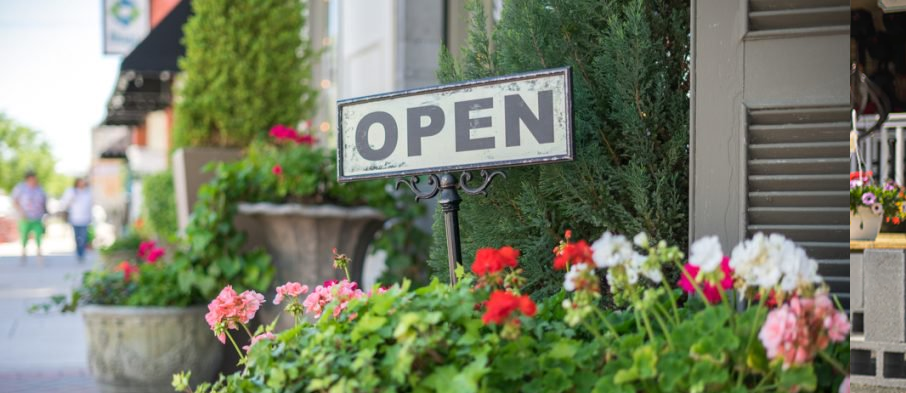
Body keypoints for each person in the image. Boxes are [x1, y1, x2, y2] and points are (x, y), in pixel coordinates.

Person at [11, 170, 47, 265]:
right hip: (25, 217)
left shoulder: (39, 188)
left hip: (37, 216)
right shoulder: (20, 188)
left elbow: (44, 200)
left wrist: (45, 213)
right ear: (27, 179)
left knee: (39, 235)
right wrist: (21, 212)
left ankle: (39, 254)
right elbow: (14, 201)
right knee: (24, 235)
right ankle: (23, 251)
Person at [61, 178, 93, 262]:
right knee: (77, 237)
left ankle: (82, 253)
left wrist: (91, 217)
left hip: (85, 219)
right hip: (75, 218)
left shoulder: (88, 192)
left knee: (83, 237)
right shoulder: (72, 192)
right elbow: (64, 203)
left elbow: (90, 205)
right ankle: (78, 252)